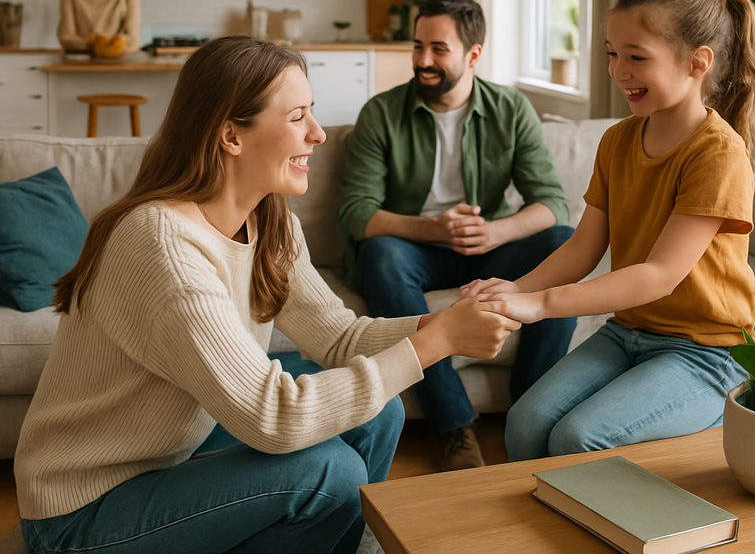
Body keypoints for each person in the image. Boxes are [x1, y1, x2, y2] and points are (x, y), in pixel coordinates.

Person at [13, 36, 520, 554]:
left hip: (170, 457)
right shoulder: (163, 245)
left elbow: (343, 338)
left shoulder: (269, 224)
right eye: (298, 116)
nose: (318, 134)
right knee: (328, 473)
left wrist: (446, 324)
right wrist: (436, 344)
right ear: (231, 135)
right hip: (80, 510)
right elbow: (273, 417)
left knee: (380, 411)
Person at [462, 0, 755, 461]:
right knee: (525, 421)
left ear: (698, 63)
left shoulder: (718, 153)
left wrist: (541, 306)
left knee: (577, 438)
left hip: (706, 352)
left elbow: (659, 275)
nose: (618, 70)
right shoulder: (618, 140)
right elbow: (585, 247)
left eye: (636, 57)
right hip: (628, 332)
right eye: (611, 53)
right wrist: (517, 289)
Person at [336, 0, 576, 471]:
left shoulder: (511, 109)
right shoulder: (381, 113)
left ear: (473, 54)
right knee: (378, 254)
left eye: (438, 49)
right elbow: (355, 212)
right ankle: (453, 426)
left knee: (563, 241)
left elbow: (552, 202)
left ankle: (528, 412)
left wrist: (498, 232)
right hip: (416, 250)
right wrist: (431, 228)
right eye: (418, 46)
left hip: (488, 247)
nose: (423, 61)